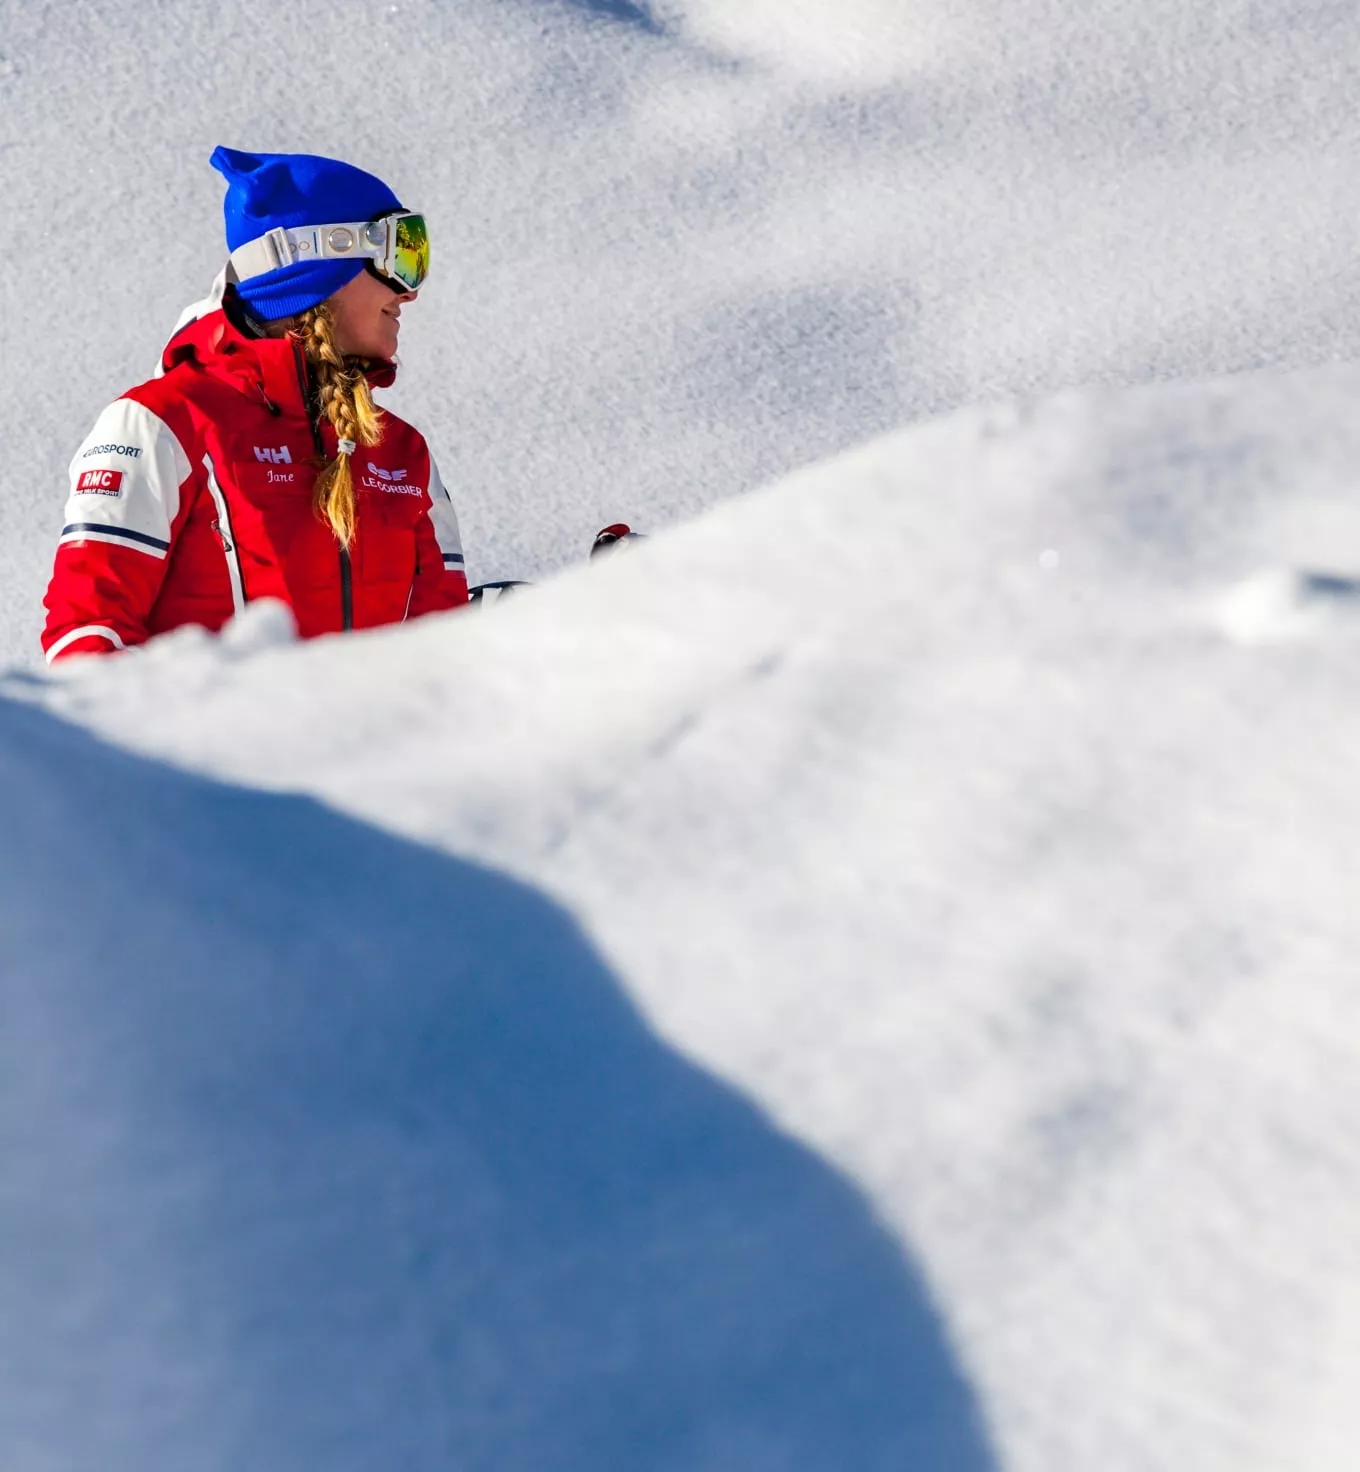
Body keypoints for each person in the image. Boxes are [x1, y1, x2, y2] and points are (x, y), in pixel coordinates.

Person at [41, 146, 469, 664]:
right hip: (202, 744)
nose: (408, 293)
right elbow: (88, 635)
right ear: (321, 260)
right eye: (400, 256)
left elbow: (446, 649)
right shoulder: (163, 425)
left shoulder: (401, 452)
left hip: (373, 745)